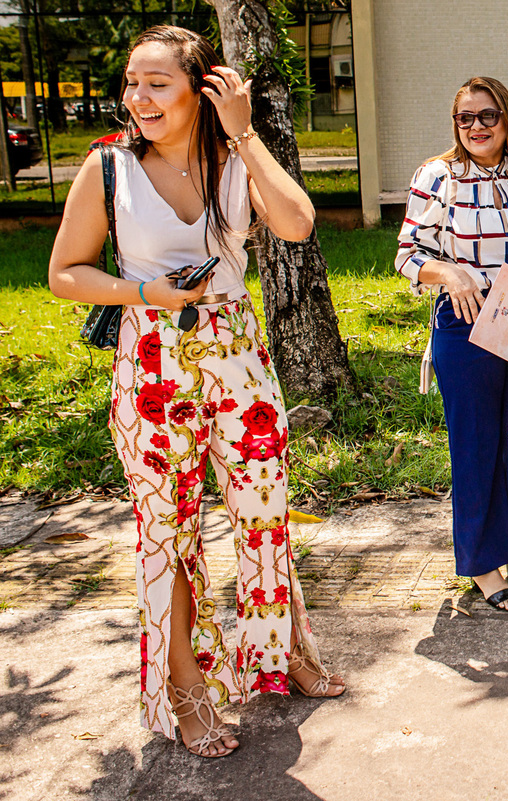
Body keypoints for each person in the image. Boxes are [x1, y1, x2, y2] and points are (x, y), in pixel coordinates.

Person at [47, 25, 345, 759]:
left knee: (263, 509)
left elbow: (298, 224)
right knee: (168, 532)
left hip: (236, 350)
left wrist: (244, 135)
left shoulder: (233, 160)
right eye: (131, 82)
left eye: (157, 83)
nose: (137, 97)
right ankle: (184, 690)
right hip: (150, 357)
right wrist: (142, 289)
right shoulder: (108, 168)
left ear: (199, 90)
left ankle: (281, 653)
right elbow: (64, 273)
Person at [395, 77, 508, 611]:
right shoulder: (439, 176)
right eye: (465, 118)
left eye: (487, 116)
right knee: (476, 446)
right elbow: (408, 255)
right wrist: (451, 273)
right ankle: (483, 563)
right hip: (464, 326)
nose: (476, 128)